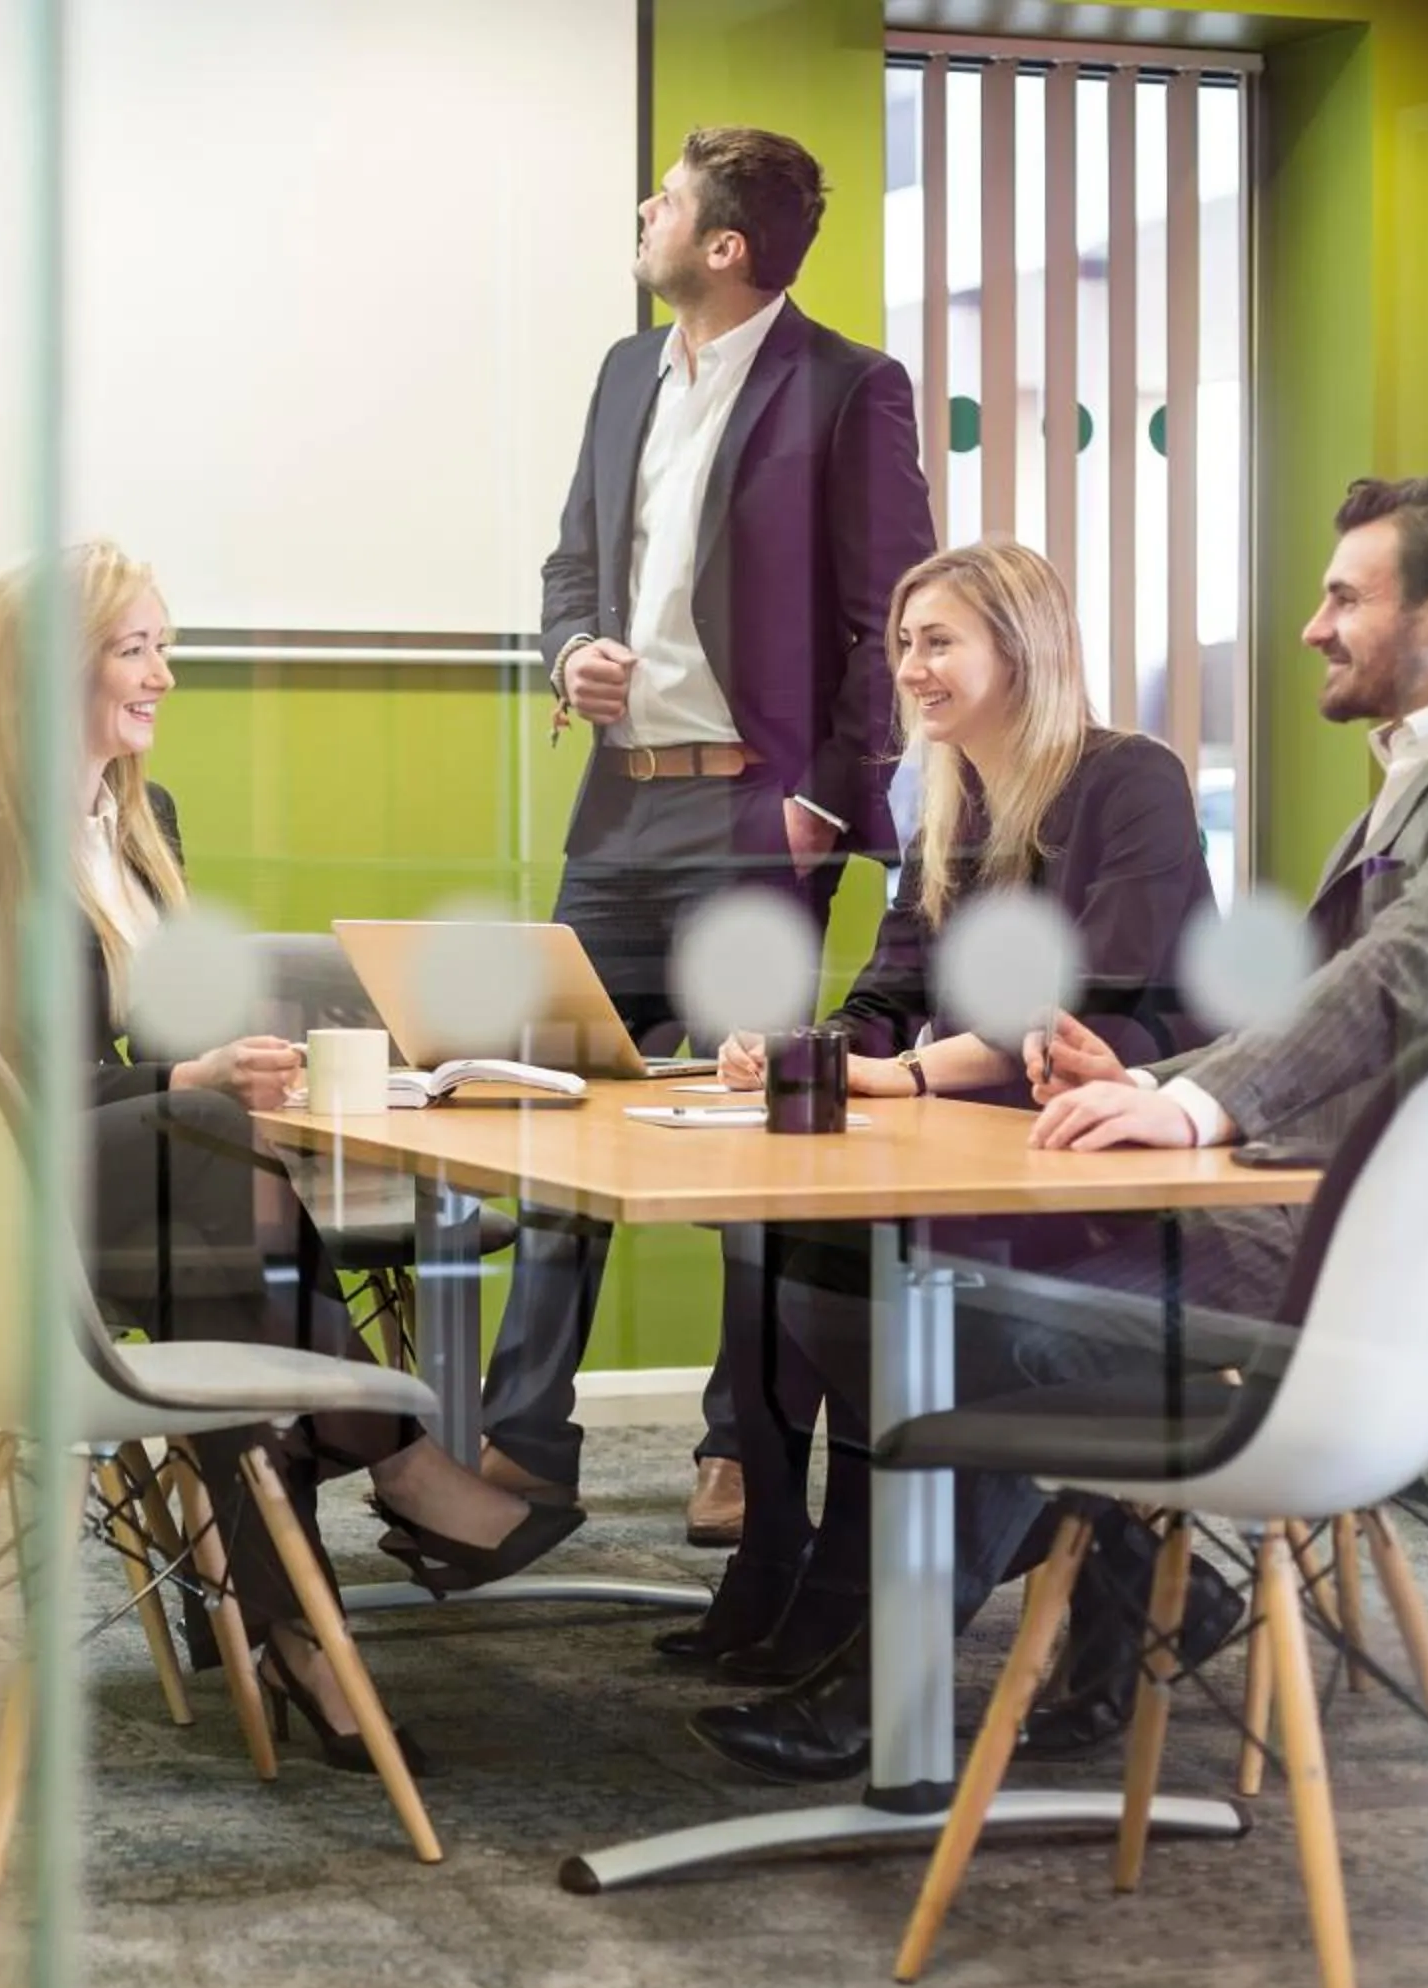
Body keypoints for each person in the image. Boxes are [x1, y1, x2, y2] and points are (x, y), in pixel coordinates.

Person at [692, 476, 1428, 1785]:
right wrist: (1164, 1075)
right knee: (925, 1289)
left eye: (1343, 596)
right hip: (1303, 1212)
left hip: (1367, 1261)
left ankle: (900, 1687)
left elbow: (1411, 971)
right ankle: (1109, 1606)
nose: (1314, 629)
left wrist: (1188, 1096)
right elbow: (1322, 1014)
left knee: (970, 1311)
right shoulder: (1416, 778)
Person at [0, 541, 583, 1767]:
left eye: (165, 645)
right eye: (137, 648)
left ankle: (287, 1625)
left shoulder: (141, 821)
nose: (166, 676)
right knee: (207, 1157)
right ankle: (396, 1475)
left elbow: (155, 1039)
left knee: (219, 1219)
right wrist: (185, 1085)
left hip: (135, 1181)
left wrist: (234, 1065)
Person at [648, 542, 1213, 1703]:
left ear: (1024, 647)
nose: (912, 666)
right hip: (976, 1129)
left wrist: (895, 1079)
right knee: (763, 1239)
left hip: (1108, 1147)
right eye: (906, 642)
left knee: (840, 1277)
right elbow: (888, 993)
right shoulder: (950, 799)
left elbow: (1081, 1009)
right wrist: (802, 1054)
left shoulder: (1130, 780)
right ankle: (782, 1568)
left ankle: (880, 1583)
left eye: (938, 640)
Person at [484, 125, 935, 1541]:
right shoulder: (627, 374)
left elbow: (891, 606)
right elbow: (573, 566)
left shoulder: (849, 388)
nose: (646, 214)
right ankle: (521, 1446)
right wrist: (573, 660)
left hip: (758, 814)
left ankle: (741, 1447)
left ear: (724, 247)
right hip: (618, 807)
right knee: (546, 1114)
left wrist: (827, 799)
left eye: (666, 203)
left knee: (749, 1141)